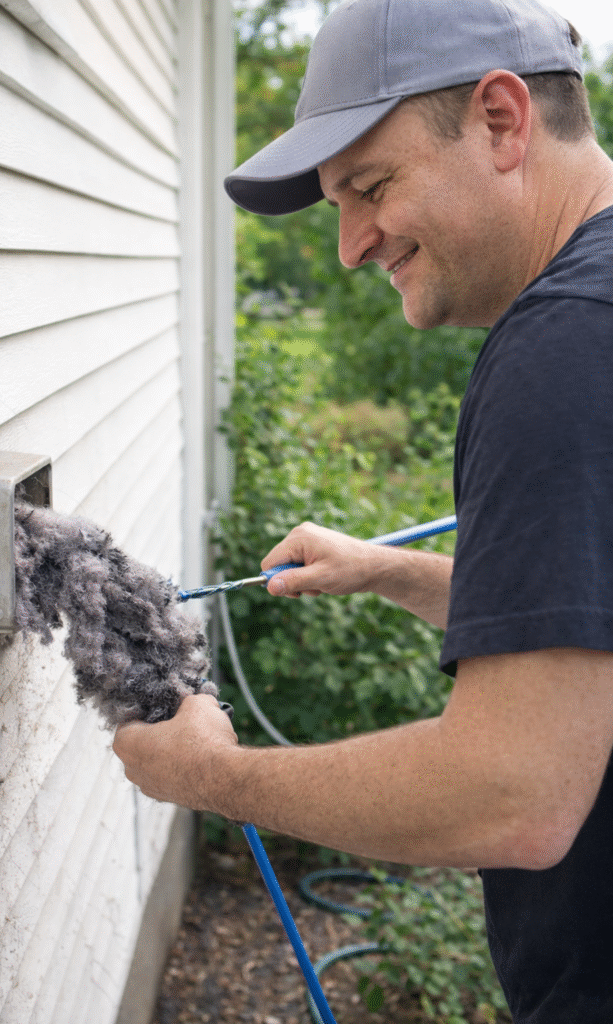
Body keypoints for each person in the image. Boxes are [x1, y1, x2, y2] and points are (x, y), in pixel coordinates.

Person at [113, 0, 613, 1019]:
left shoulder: (561, 346)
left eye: (370, 186)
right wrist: (394, 572)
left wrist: (215, 775)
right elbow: (587, 631)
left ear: (501, 121)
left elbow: (510, 794)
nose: (347, 246)